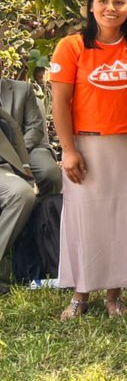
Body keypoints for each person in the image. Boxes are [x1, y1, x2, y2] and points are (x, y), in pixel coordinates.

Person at [50, 0, 127, 320]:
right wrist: (68, 149)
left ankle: (115, 295)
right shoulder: (72, 46)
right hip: (86, 145)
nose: (111, 8)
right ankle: (80, 293)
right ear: (91, 6)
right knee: (85, 219)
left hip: (126, 145)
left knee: (121, 221)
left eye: (119, 2)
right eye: (104, 1)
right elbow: (60, 102)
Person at [0, 73, 62, 295]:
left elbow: (35, 128)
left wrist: (17, 154)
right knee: (21, 192)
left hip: (28, 148)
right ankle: (24, 230)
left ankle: (42, 226)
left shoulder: (22, 89)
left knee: (50, 173)